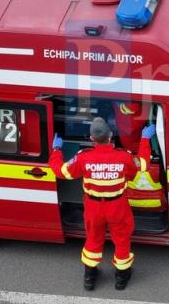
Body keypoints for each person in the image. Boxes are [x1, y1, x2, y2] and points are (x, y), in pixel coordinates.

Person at [50, 117, 153, 290]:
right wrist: (145, 139)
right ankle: (121, 278)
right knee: (121, 239)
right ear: (111, 135)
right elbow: (143, 164)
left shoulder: (83, 158)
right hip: (118, 206)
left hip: (93, 206)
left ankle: (89, 278)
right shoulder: (123, 156)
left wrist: (56, 149)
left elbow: (60, 171)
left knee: (93, 239)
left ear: (91, 138)